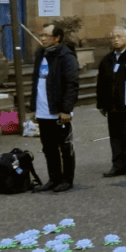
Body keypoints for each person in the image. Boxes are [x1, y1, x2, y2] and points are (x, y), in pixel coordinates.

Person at [30, 23, 80, 193]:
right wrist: (33, 107)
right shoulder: (40, 54)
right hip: (43, 110)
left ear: (56, 37)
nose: (42, 38)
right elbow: (36, 82)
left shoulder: (66, 56)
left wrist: (66, 109)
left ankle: (67, 180)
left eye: (46, 35)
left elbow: (72, 84)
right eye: (41, 35)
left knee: (65, 147)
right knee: (48, 147)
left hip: (59, 111)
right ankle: (54, 178)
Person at [96, 26, 126, 179]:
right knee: (115, 137)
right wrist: (101, 104)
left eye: (119, 36)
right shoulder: (107, 60)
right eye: (113, 37)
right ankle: (118, 165)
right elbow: (101, 83)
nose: (115, 39)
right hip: (112, 106)